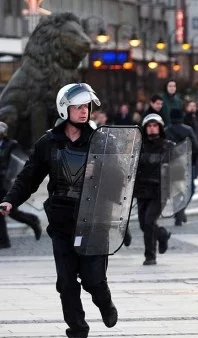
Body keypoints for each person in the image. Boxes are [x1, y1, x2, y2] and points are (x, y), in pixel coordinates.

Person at [0, 83, 119, 338]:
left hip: (94, 223)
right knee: (66, 283)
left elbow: (120, 179)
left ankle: (105, 302)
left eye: (86, 106)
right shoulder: (49, 142)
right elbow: (28, 176)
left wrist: (100, 171)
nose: (84, 111)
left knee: (93, 281)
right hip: (62, 223)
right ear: (65, 109)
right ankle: (77, 329)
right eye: (77, 106)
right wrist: (11, 200)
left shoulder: (102, 140)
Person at [133, 114, 174, 265]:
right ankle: (162, 234)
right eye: (149, 126)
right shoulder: (138, 146)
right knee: (144, 225)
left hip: (159, 191)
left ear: (160, 127)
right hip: (142, 189)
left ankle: (150, 256)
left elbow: (176, 169)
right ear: (145, 128)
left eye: (155, 125)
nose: (152, 128)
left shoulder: (168, 146)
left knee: (149, 221)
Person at [0, 122, 42, 248]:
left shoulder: (12, 145)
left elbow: (18, 162)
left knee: (7, 212)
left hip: (5, 184)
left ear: (3, 133)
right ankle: (5, 241)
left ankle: (32, 221)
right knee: (5, 213)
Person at [165, 108, 198, 226]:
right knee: (190, 189)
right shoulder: (188, 129)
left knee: (176, 190)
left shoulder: (166, 130)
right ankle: (181, 211)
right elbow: (196, 147)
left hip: (172, 164)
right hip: (186, 162)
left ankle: (179, 213)